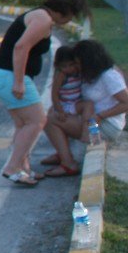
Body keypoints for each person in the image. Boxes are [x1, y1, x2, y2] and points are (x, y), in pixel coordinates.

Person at [0, 0, 88, 185]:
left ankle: (24, 168)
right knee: (38, 120)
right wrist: (18, 81)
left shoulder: (39, 15)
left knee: (23, 124)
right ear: (63, 11)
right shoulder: (43, 19)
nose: (70, 20)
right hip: (9, 76)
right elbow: (20, 47)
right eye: (71, 15)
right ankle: (12, 168)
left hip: (1, 74)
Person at [42, 40, 127, 175]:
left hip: (106, 125)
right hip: (91, 120)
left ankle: (68, 163)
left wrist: (100, 116)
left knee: (49, 120)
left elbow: (125, 103)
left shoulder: (109, 75)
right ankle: (63, 153)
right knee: (55, 114)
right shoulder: (90, 74)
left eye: (78, 62)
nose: (76, 66)